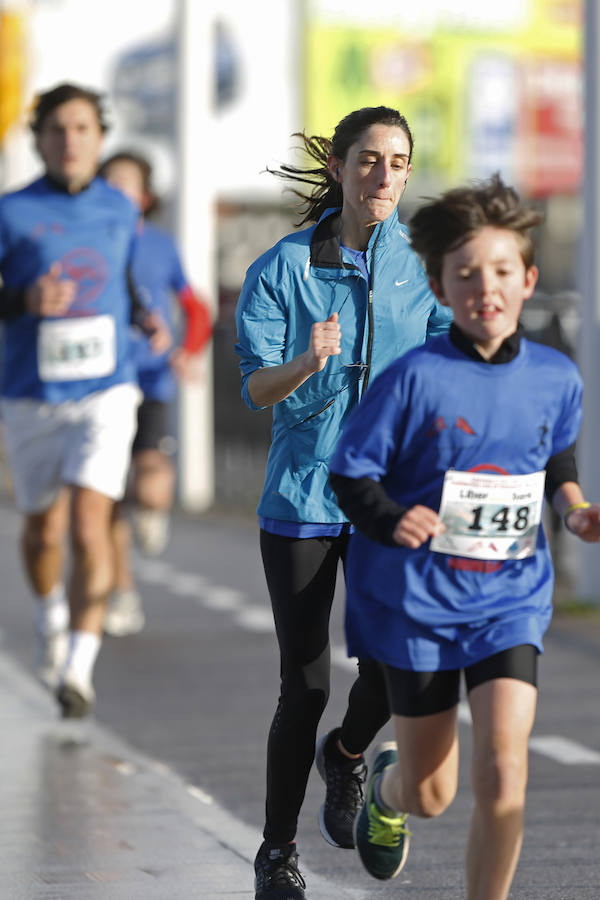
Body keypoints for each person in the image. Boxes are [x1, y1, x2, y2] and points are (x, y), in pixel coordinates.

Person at [329, 173, 600, 899]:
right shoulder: (413, 378)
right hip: (415, 602)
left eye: (503, 271)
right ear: (441, 287)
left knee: (506, 773)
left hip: (509, 598)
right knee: (433, 793)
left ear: (528, 280)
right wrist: (391, 517)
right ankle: (388, 792)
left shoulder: (555, 376)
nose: (487, 287)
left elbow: (553, 458)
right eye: (467, 273)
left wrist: (573, 509)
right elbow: (351, 475)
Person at [234, 105, 453, 899]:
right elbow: (256, 388)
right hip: (301, 498)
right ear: (338, 164)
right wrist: (306, 359)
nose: (384, 177)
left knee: (394, 661)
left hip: (386, 499)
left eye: (398, 162)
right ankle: (277, 851)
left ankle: (350, 755)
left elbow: (449, 361)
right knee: (307, 686)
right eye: (369, 160)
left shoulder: (423, 268)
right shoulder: (285, 267)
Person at [0, 83, 169, 718]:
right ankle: (51, 619)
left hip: (107, 386)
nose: (70, 141)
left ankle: (78, 665)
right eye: (56, 130)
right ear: (38, 139)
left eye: (82, 129)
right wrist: (22, 302)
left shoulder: (119, 209)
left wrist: (149, 317)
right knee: (43, 527)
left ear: (100, 139)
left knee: (89, 522)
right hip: (30, 393)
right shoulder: (10, 212)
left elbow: (124, 279)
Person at [97, 151, 212, 636]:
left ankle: (153, 510)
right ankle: (121, 592)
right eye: (109, 183)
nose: (118, 191)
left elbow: (196, 307)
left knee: (149, 481)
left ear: (145, 197)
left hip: (150, 382)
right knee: (105, 503)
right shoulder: (89, 242)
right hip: (99, 385)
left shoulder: (161, 247)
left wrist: (186, 350)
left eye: (127, 183)